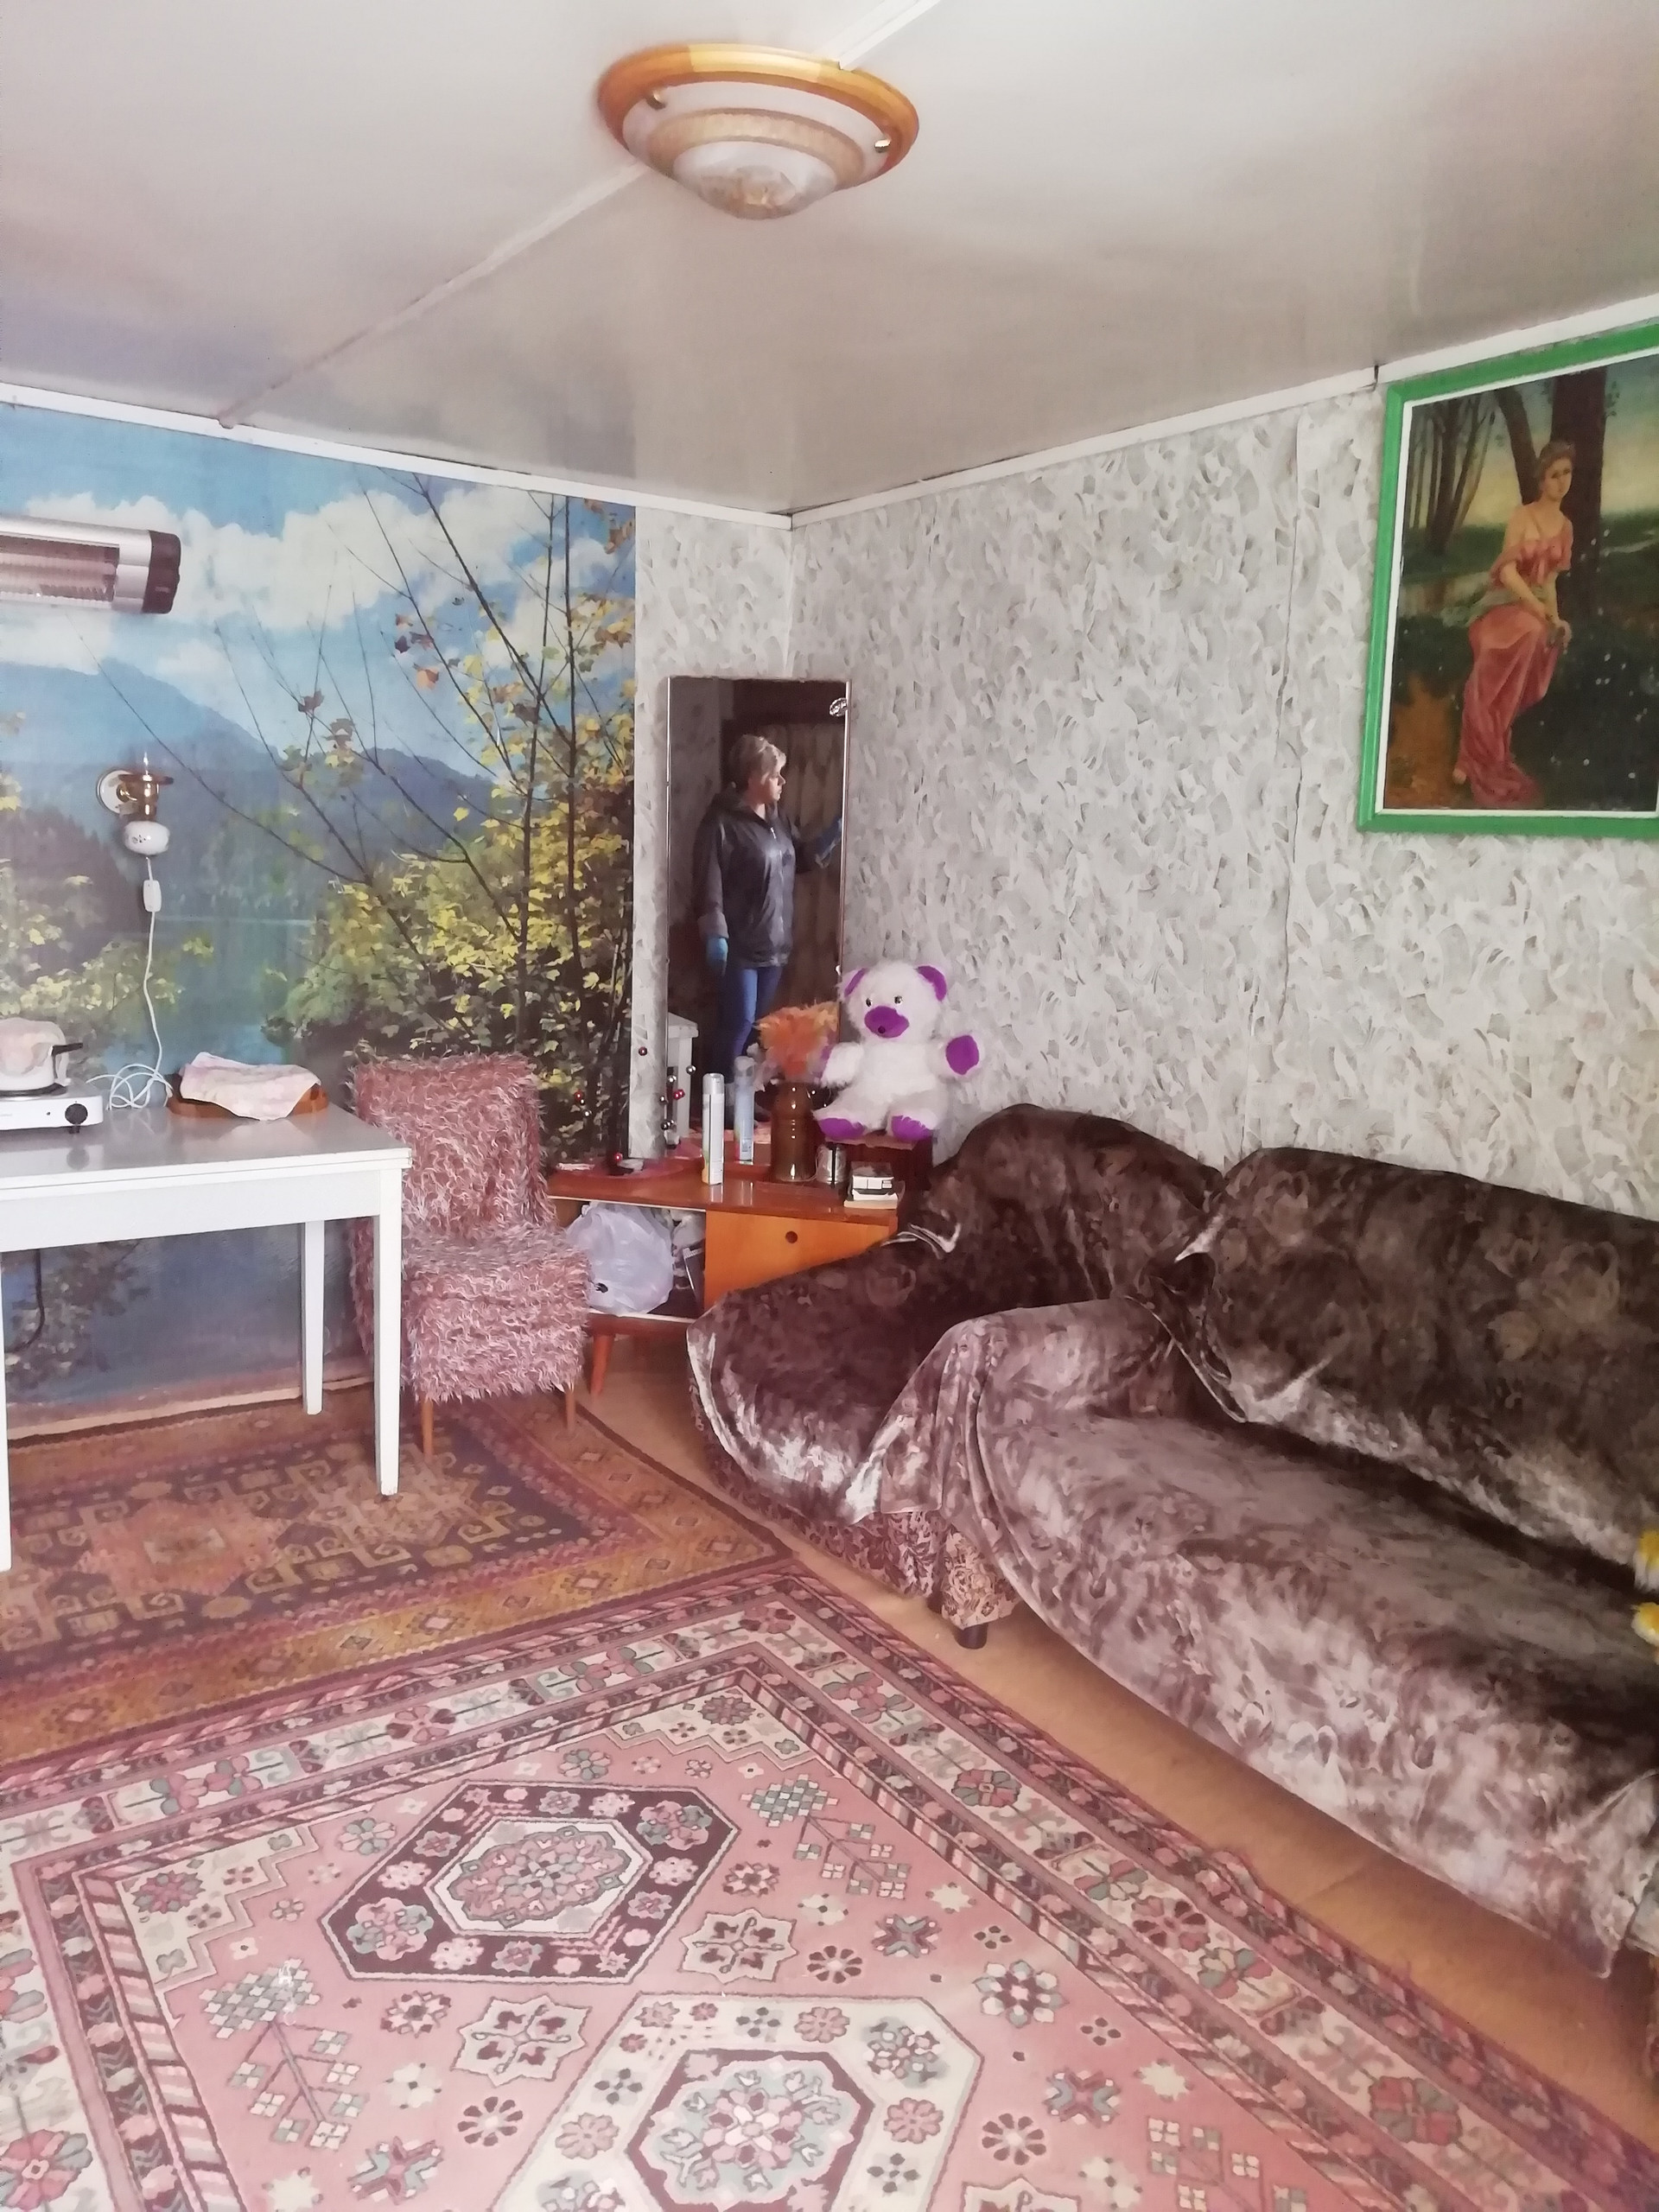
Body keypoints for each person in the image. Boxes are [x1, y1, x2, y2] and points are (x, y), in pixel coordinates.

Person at [692, 731, 842, 1088]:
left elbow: (801, 858)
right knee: (738, 1022)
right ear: (752, 778)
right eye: (775, 775)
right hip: (740, 945)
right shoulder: (721, 823)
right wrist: (714, 933)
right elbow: (708, 881)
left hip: (775, 943)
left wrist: (836, 832)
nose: (782, 782)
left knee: (757, 1027)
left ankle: (744, 1095)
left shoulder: (777, 819)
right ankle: (718, 1097)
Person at [1453, 439, 1574, 807]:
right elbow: (1507, 574)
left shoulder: (1565, 527)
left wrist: (1555, 617)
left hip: (1534, 610)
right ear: (1542, 479)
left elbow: (1549, 581)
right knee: (1509, 644)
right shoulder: (1523, 517)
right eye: (1554, 475)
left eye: (1567, 473)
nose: (1562, 481)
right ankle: (1470, 754)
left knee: (1541, 635)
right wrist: (1537, 611)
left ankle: (1491, 743)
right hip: (1504, 603)